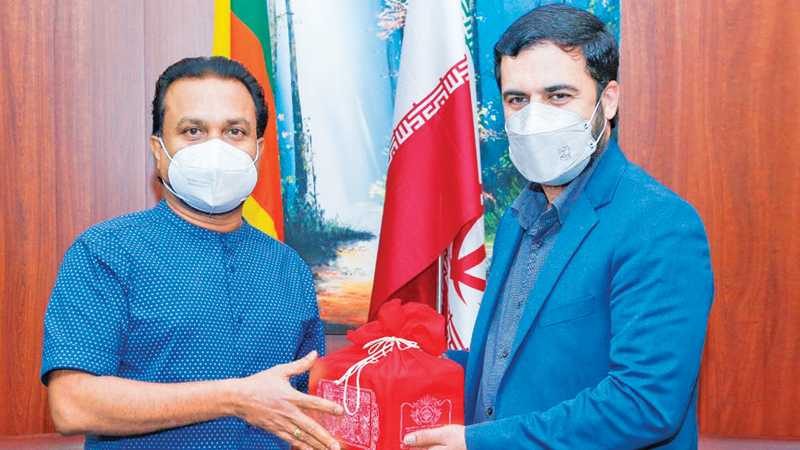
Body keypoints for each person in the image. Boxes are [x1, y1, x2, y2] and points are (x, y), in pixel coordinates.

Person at [404, 4, 714, 450]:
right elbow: (512, 365)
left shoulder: (660, 224)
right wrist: (402, 363)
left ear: (608, 101)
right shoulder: (517, 219)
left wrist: (483, 443)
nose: (535, 118)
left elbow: (644, 404)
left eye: (558, 96)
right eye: (517, 100)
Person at [41, 56, 343, 450]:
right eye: (193, 131)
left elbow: (301, 410)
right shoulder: (106, 251)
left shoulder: (290, 268)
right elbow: (72, 405)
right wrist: (234, 398)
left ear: (258, 149)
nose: (216, 147)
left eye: (235, 131)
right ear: (159, 149)